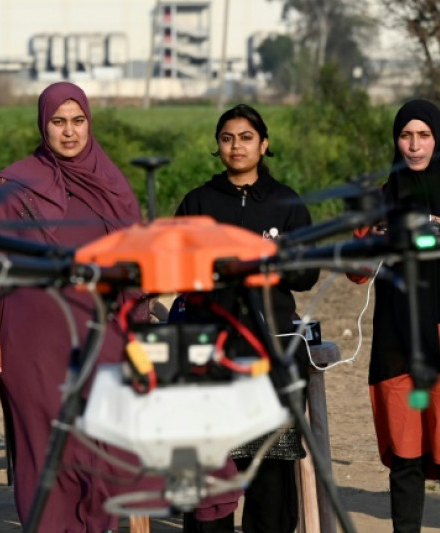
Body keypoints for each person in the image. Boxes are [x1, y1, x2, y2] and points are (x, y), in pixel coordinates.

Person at [0, 82, 239, 532]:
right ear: (44, 125)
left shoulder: (110, 183)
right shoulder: (12, 186)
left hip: (100, 337)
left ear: (89, 124)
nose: (69, 132)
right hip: (32, 345)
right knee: (46, 451)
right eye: (59, 122)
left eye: (78, 121)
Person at [348, 99, 440, 533]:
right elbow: (355, 274)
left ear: (439, 138)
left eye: (423, 135)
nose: (414, 146)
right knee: (404, 450)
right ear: (396, 141)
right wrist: (376, 241)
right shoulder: (381, 199)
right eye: (406, 136)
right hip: (397, 338)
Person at [174, 103, 320, 533]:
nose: (236, 146)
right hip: (209, 350)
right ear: (217, 146)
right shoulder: (199, 202)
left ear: (264, 144)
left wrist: (270, 259)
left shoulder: (286, 202)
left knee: (267, 469)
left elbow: (306, 273)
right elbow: (175, 268)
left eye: (246, 138)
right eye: (227, 138)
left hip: (269, 351)